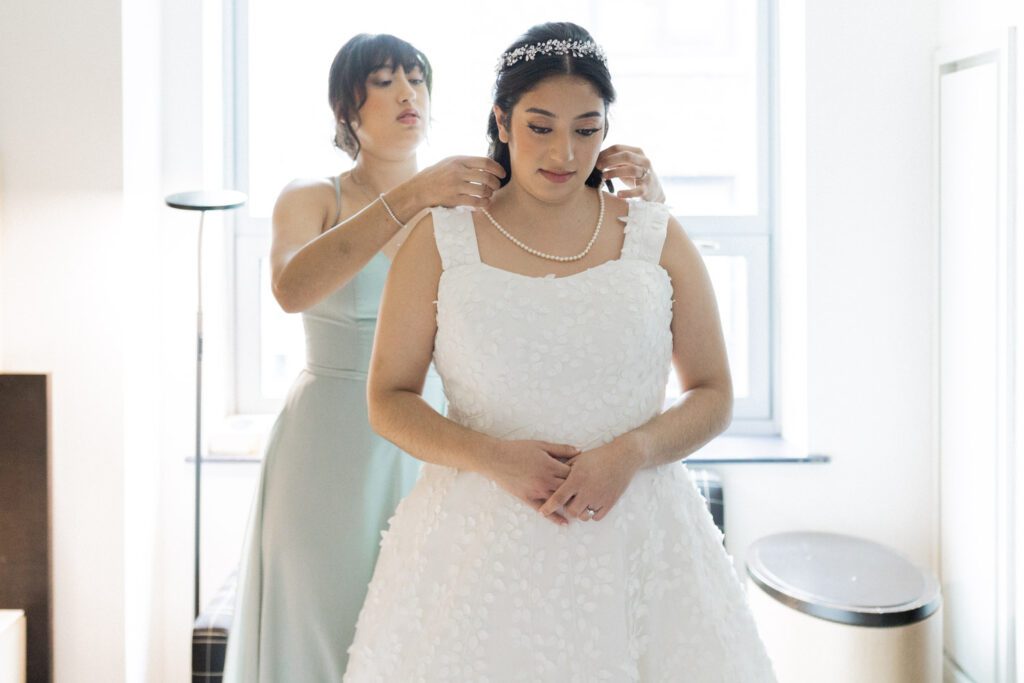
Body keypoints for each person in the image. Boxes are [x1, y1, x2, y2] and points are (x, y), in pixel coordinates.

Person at [223, 32, 667, 682]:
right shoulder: (314, 194)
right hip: (331, 439)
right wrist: (407, 197)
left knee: (419, 639)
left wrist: (649, 197)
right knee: (324, 622)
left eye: (417, 78)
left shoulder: (468, 208)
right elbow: (291, 289)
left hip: (437, 435)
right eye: (384, 80)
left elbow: (573, 293)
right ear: (346, 104)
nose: (408, 93)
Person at [344, 22, 777, 682]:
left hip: (642, 548)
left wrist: (630, 452)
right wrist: (492, 456)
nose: (564, 151)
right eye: (541, 125)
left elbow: (713, 392)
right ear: (502, 119)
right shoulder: (441, 239)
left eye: (586, 127)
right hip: (477, 552)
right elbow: (387, 399)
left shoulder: (653, 235)